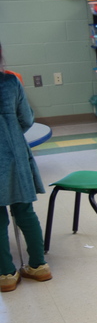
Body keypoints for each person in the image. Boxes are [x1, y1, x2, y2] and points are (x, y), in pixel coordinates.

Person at [0, 41, 51, 292]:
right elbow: (27, 119)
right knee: (25, 211)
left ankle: (6, 275)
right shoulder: (10, 81)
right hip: (15, 154)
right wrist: (10, 133)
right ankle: (39, 266)